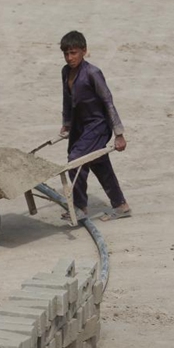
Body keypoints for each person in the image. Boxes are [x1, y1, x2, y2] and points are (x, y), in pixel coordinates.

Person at [59, 30, 130, 222]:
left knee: (76, 160)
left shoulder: (92, 73)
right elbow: (67, 99)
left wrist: (119, 134)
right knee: (100, 164)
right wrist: (66, 124)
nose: (69, 58)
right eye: (66, 53)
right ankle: (121, 205)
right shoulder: (66, 72)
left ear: (84, 51)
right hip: (79, 127)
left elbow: (108, 102)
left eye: (73, 53)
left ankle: (80, 207)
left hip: (98, 126)